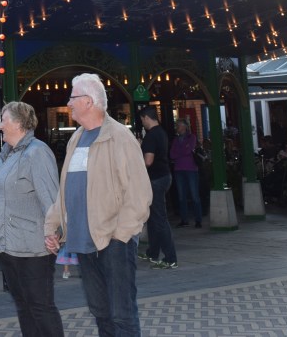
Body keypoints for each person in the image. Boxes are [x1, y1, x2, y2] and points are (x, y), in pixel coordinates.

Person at [45, 74, 151, 337]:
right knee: (100, 312)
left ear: (88, 101)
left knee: (121, 315)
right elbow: (65, 191)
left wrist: (120, 236)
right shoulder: (76, 138)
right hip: (83, 242)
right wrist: (53, 226)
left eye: (72, 97)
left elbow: (139, 194)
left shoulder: (120, 137)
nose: (68, 103)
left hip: (114, 242)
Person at [0, 101, 62, 337]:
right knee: (24, 306)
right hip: (8, 245)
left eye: (4, 120)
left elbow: (51, 198)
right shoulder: (6, 156)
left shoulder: (37, 152)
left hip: (33, 248)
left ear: (18, 123)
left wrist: (55, 233)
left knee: (40, 307)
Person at [139, 107, 177, 268]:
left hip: (155, 179)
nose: (142, 123)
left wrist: (136, 161)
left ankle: (170, 258)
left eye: (142, 120)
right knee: (153, 217)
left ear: (146, 118)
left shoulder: (150, 136)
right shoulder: (162, 133)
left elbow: (148, 161)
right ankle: (152, 253)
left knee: (160, 218)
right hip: (165, 176)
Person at [169, 118, 203, 228]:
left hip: (191, 169)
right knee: (181, 196)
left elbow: (188, 150)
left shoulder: (192, 137)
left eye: (179, 125)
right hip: (178, 170)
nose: (177, 127)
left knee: (194, 195)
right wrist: (183, 151)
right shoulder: (175, 139)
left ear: (185, 126)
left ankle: (198, 220)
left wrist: (179, 153)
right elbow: (171, 154)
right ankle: (184, 220)